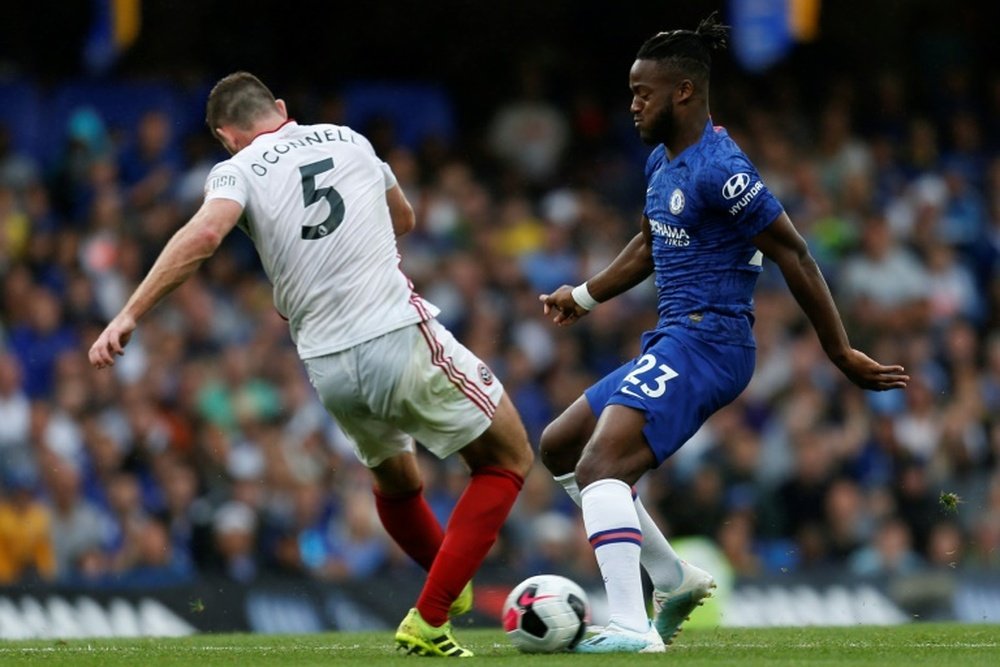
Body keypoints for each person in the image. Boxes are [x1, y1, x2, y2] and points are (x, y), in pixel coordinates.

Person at [89, 71, 534, 657]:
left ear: (227, 135)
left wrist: (128, 314)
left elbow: (204, 235)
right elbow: (403, 219)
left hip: (327, 362)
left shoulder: (236, 169)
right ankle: (431, 614)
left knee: (395, 478)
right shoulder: (350, 140)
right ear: (279, 107)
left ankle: (445, 583)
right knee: (508, 457)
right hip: (394, 330)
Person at [538, 15, 909, 654]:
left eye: (642, 92)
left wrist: (838, 350)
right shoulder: (664, 160)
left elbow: (794, 253)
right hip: (675, 338)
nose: (632, 104)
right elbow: (650, 244)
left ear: (683, 91)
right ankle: (673, 578)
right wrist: (584, 295)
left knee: (602, 463)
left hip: (711, 343)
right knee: (561, 446)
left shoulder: (722, 169)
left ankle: (630, 627)